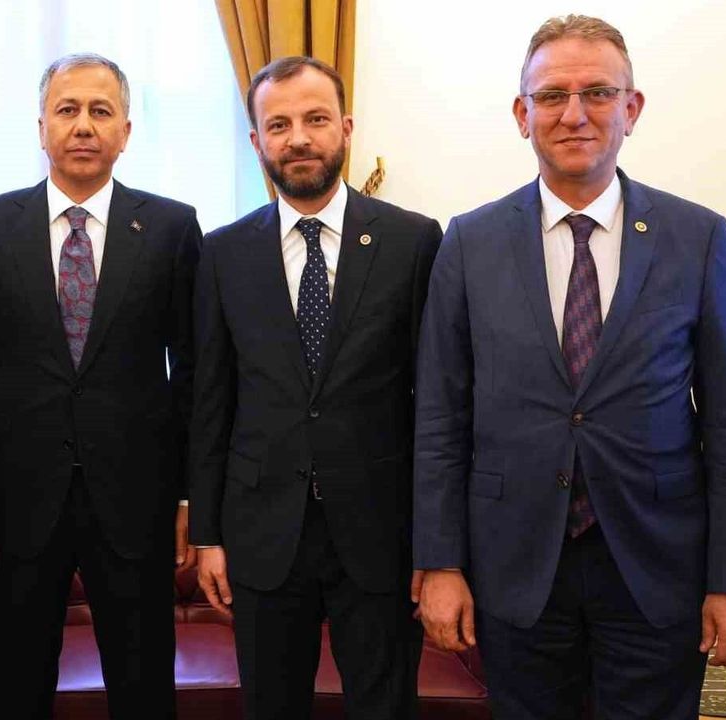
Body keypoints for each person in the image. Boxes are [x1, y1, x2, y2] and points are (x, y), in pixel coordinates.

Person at [412, 14, 726, 719]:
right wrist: (440, 563)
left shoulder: (696, 237)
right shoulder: (469, 242)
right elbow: (440, 419)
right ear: (522, 114)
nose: (573, 113)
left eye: (598, 93)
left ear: (631, 109)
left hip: (655, 566)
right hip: (514, 566)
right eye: (551, 95)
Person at [190, 56, 442, 720]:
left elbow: (435, 404)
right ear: (257, 141)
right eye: (279, 124)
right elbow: (210, 403)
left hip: (381, 531)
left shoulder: (413, 242)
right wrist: (208, 535)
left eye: (316, 119)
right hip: (262, 531)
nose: (298, 138)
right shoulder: (221, 254)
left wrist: (438, 543)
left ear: (346, 128)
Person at [0, 53, 202, 719]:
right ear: (41, 128)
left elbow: (195, 376)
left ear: (126, 131)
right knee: (17, 683)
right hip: (18, 499)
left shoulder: (173, 228)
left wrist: (190, 496)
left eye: (100, 111)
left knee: (143, 684)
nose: (83, 125)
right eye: (67, 110)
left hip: (137, 499)